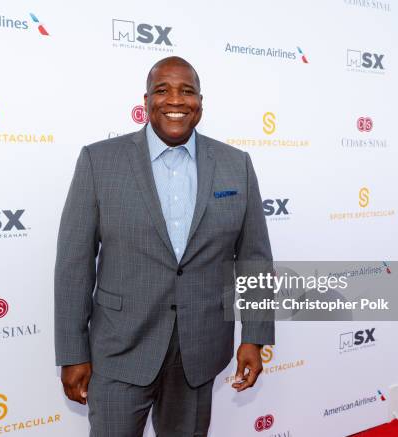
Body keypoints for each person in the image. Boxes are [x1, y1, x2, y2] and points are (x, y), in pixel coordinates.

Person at [55, 56, 274, 436]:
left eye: (187, 91)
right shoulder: (99, 161)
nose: (176, 100)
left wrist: (254, 335)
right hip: (121, 349)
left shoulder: (235, 164)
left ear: (200, 103)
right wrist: (73, 352)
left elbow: (254, 258)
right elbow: (75, 263)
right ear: (146, 101)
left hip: (199, 351)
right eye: (163, 90)